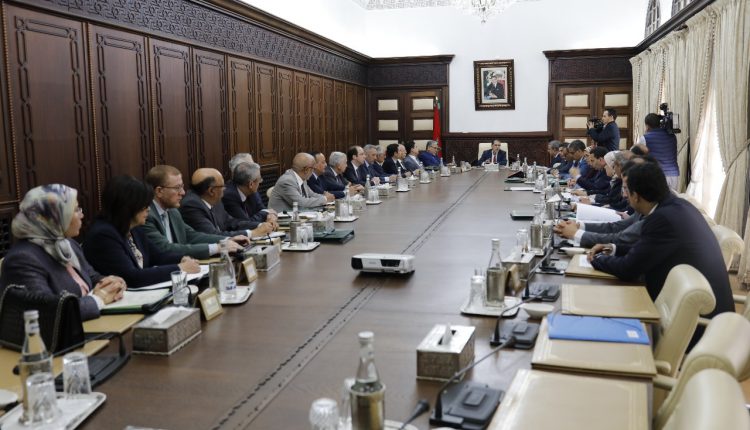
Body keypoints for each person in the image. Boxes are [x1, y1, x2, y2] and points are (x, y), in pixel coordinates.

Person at [589, 162, 734, 320]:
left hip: (697, 320)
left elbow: (628, 269)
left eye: (626, 191)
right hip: (707, 310)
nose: (624, 196)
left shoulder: (661, 219)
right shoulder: (679, 206)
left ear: (636, 196)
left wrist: (596, 259)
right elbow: (647, 249)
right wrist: (613, 248)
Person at [0, 185, 126, 320]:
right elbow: (46, 312)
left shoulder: (67, 243)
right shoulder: (23, 259)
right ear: (54, 217)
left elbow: (91, 276)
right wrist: (97, 300)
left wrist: (112, 283)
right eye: (76, 210)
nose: (82, 215)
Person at [84, 176, 200, 289]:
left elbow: (157, 256)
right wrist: (179, 268)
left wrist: (182, 259)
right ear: (128, 206)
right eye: (144, 205)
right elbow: (132, 277)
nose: (148, 209)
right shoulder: (103, 235)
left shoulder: (133, 227)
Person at [142, 165, 245, 260]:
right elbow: (165, 248)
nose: (183, 192)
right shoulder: (146, 216)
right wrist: (217, 248)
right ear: (159, 191)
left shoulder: (173, 211)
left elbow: (191, 236)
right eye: (177, 188)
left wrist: (227, 240)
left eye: (182, 187)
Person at [180, 168, 273, 238]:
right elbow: (213, 235)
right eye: (222, 186)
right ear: (211, 191)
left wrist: (260, 225)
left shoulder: (214, 200)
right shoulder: (191, 205)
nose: (225, 189)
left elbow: (231, 223)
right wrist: (252, 233)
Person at [269, 153, 334, 211]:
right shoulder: (287, 181)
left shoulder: (302, 178)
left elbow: (311, 194)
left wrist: (325, 197)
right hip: (280, 219)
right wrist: (325, 199)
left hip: (297, 216)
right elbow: (300, 203)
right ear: (306, 170)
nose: (313, 172)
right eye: (313, 169)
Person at [223, 161, 278, 227]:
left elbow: (263, 209)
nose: (261, 181)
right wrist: (266, 213)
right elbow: (246, 223)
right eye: (259, 179)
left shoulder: (251, 191)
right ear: (251, 184)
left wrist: (271, 215)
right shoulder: (229, 196)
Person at [638, 113, 679, 190]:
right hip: (673, 175)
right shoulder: (672, 136)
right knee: (672, 197)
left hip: (656, 175)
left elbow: (638, 156)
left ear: (647, 126)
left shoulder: (645, 138)